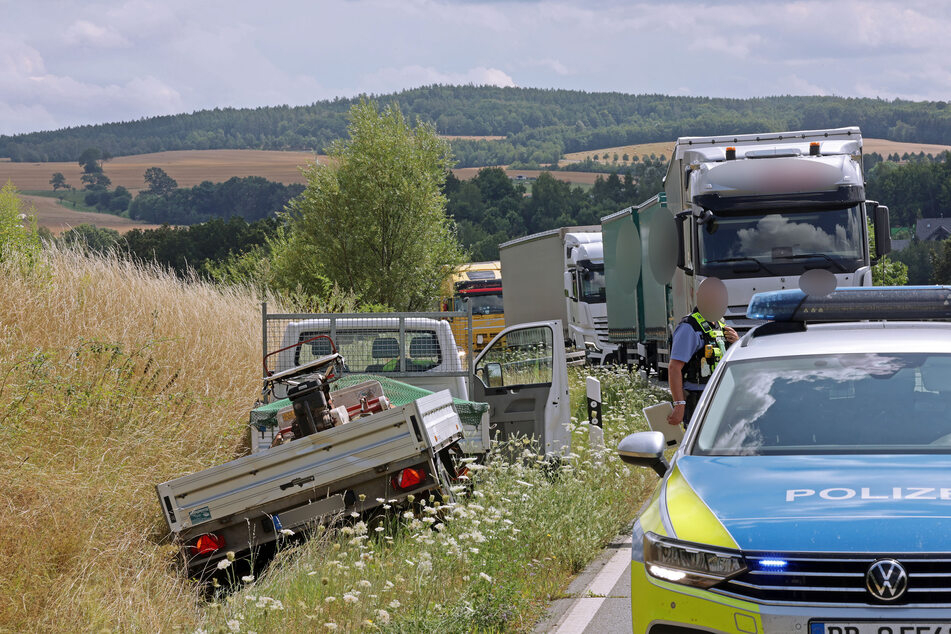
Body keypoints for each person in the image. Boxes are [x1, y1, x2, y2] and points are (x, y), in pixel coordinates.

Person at [667, 278, 738, 427]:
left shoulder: (721, 325)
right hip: (699, 398)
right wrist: (679, 405)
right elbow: (674, 368)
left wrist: (736, 343)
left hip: (721, 396)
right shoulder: (689, 327)